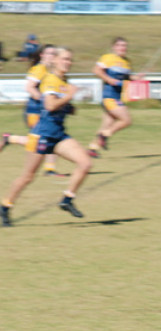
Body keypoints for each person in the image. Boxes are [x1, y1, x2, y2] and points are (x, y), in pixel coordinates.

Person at [1, 47, 91, 227]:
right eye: (65, 59)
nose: (68, 62)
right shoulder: (50, 79)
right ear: (55, 60)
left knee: (85, 163)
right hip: (42, 135)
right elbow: (50, 106)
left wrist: (70, 107)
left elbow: (60, 105)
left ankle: (67, 200)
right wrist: (69, 96)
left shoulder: (64, 80)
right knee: (28, 177)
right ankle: (5, 206)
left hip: (58, 135)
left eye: (70, 60)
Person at [2, 44, 66, 177]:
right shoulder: (39, 69)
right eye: (49, 53)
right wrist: (45, 101)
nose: (52, 56)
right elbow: (30, 87)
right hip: (34, 111)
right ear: (42, 55)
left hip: (45, 111)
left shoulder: (52, 71)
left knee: (46, 138)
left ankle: (49, 168)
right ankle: (49, 169)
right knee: (41, 139)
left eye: (54, 54)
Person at [88, 37, 133, 158]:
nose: (122, 48)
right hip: (109, 97)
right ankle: (105, 135)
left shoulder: (127, 62)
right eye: (119, 45)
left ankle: (92, 148)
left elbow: (127, 78)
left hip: (117, 97)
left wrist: (136, 78)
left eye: (124, 45)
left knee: (107, 124)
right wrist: (109, 79)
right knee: (126, 120)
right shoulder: (108, 58)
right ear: (114, 47)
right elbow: (96, 70)